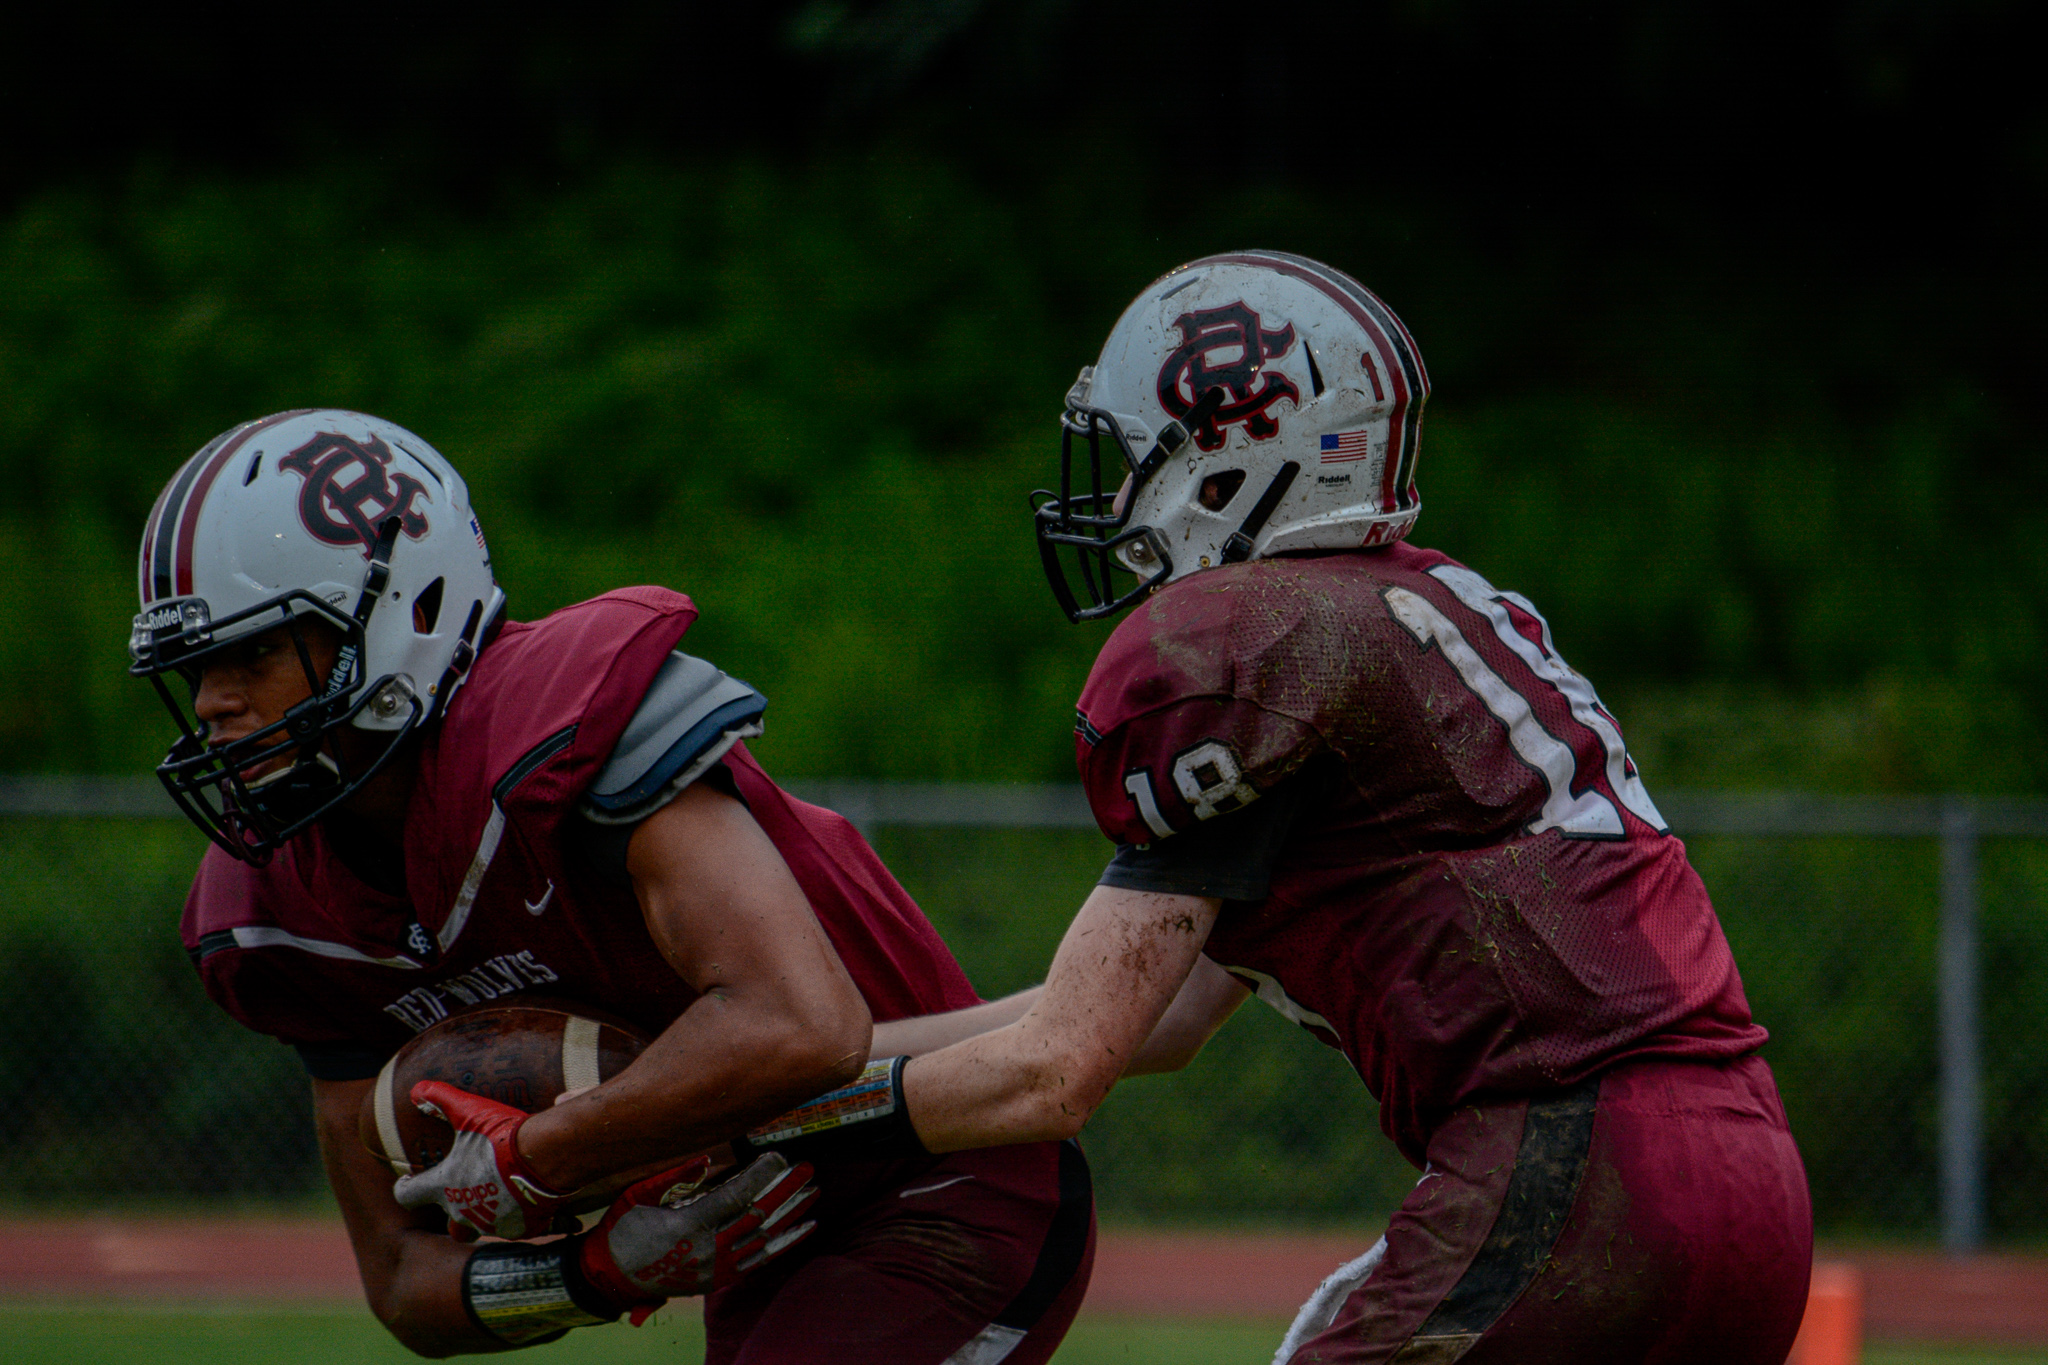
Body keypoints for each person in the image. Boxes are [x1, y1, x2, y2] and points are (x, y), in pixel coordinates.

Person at [835, 252, 1814, 1362]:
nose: (1110, 500)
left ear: (1228, 464)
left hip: (1580, 1175)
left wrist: (777, 1120)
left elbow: (1057, 1069)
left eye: (1133, 460)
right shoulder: (1405, 617)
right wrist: (842, 1054)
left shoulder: (1256, 651)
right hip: (1748, 1182)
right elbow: (1152, 1016)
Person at [127, 409, 1093, 1362]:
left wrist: (540, 1155)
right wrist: (592, 1271)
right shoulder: (277, 910)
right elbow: (397, 1280)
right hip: (772, 1222)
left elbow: (801, 1023)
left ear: (402, 610)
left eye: (253, 652)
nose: (213, 703)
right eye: (196, 668)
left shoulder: (561, 728)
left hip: (943, 1172)